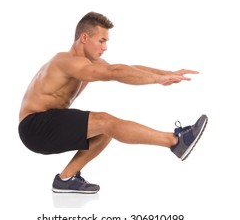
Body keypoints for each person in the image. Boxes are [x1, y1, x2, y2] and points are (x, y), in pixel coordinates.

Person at [18, 12, 208, 194]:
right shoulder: (66, 61)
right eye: (101, 40)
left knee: (104, 131)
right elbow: (114, 73)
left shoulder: (87, 62)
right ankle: (176, 141)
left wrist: (166, 73)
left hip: (45, 125)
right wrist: (157, 80)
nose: (105, 47)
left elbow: (127, 69)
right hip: (34, 126)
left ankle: (65, 179)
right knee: (105, 121)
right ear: (84, 38)